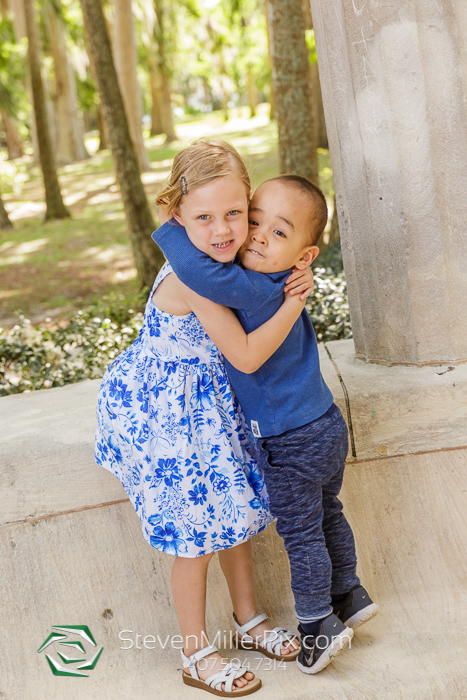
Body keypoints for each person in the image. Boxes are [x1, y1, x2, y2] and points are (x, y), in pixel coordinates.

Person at [95, 140, 316, 696]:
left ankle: (249, 620)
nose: (223, 230)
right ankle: (195, 654)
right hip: (170, 417)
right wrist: (295, 302)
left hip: (210, 411)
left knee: (234, 518)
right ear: (177, 216)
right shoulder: (195, 280)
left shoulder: (221, 261)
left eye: (235, 214)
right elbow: (244, 354)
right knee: (195, 538)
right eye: (203, 217)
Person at [152, 173, 379, 677]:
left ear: (305, 256)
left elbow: (198, 272)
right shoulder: (278, 279)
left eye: (278, 233)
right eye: (254, 221)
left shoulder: (252, 288)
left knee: (302, 535)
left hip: (289, 437)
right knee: (329, 513)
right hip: (324, 424)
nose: (255, 236)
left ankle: (318, 622)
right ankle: (351, 593)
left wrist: (172, 224)